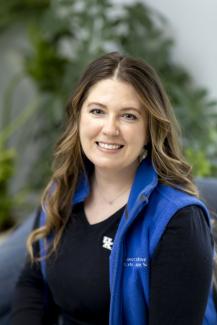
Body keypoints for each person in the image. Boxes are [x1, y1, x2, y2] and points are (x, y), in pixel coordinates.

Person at [11, 52, 217, 324]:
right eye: (97, 111)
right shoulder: (61, 191)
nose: (109, 129)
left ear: (150, 130)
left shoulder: (178, 220)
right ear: (79, 118)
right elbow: (33, 283)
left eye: (129, 116)